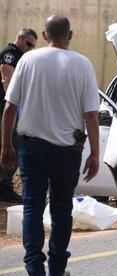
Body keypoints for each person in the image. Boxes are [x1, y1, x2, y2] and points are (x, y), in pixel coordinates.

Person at [0, 15, 100, 275]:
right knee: (61, 209)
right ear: (71, 35)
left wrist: (6, 146)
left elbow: (10, 107)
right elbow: (91, 114)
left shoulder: (28, 60)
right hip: (68, 151)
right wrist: (96, 154)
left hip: (32, 149)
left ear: (44, 36)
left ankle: (34, 268)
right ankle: (57, 267)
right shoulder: (83, 64)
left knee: (33, 207)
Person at [0, 28, 38, 203]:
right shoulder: (10, 54)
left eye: (33, 46)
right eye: (28, 44)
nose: (29, 48)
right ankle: (4, 185)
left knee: (14, 142)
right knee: (12, 143)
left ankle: (4, 184)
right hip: (7, 107)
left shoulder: (22, 56)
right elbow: (7, 79)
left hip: (12, 107)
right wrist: (16, 105)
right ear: (20, 38)